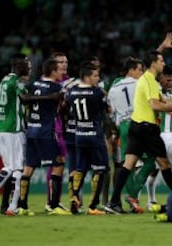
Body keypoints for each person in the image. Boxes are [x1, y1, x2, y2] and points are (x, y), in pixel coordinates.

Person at [104, 49, 172, 215]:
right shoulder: (150, 80)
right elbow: (156, 105)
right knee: (164, 163)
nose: (164, 64)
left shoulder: (144, 79)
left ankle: (113, 202)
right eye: (161, 61)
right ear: (154, 63)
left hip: (135, 126)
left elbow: (164, 100)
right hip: (147, 127)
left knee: (128, 164)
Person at [18, 58, 70, 216]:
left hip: (32, 131)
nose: (61, 71)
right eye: (58, 69)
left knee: (28, 168)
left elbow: (24, 98)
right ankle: (54, 205)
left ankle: (22, 206)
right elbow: (62, 108)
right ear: (53, 71)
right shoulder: (56, 87)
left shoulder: (33, 85)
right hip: (47, 131)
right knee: (58, 164)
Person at [0, 54, 30, 215]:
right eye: (26, 65)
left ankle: (9, 205)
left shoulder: (3, 80)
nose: (28, 68)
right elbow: (25, 97)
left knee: (10, 166)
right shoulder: (16, 80)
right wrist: (47, 97)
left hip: (0, 127)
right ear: (18, 67)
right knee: (16, 167)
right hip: (12, 129)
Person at [66, 62, 110, 215]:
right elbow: (108, 109)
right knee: (101, 169)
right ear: (86, 77)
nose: (98, 78)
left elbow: (69, 109)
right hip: (94, 136)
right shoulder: (97, 93)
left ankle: (74, 197)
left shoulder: (72, 91)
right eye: (96, 76)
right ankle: (92, 206)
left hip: (79, 135)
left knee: (81, 168)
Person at [146, 65, 172, 209]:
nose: (170, 83)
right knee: (156, 169)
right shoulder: (154, 88)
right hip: (158, 134)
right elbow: (155, 105)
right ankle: (151, 199)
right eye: (168, 80)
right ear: (161, 77)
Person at [44, 52, 70, 212]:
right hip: (51, 128)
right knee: (54, 164)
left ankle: (55, 201)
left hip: (66, 127)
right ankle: (50, 202)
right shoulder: (47, 82)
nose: (64, 64)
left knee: (60, 164)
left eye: (66, 61)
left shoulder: (68, 81)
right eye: (60, 62)